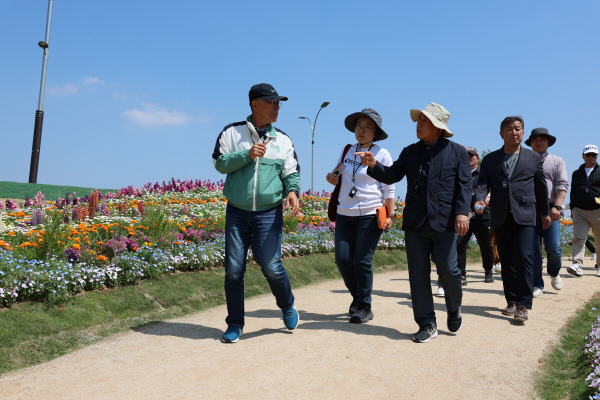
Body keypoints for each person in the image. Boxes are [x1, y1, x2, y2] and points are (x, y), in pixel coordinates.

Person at [356, 102, 471, 343]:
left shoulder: (458, 152)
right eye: (418, 120)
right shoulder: (410, 152)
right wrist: (374, 165)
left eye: (424, 121)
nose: (418, 125)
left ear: (438, 127)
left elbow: (465, 185)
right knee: (418, 276)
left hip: (446, 223)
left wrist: (462, 213)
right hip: (416, 225)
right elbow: (393, 174)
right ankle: (427, 324)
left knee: (449, 271)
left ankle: (454, 306)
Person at [212, 83, 301, 343]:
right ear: (255, 104)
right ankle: (235, 324)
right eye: (272, 102)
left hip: (269, 213)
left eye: (278, 103)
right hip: (237, 213)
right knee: (233, 270)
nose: (277, 108)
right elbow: (219, 163)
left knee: (271, 266)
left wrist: (292, 191)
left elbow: (291, 171)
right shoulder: (231, 133)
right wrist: (247, 154)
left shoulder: (282, 139)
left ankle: (286, 304)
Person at [474, 116, 550, 323]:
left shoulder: (534, 158)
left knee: (525, 257)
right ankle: (512, 301)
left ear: (523, 133)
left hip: (526, 215)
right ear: (501, 134)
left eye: (518, 129)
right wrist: (479, 200)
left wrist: (544, 213)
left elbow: (541, 188)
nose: (514, 132)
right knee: (506, 260)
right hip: (500, 215)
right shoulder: (490, 160)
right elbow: (482, 184)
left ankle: (524, 304)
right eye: (509, 129)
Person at [326, 109, 395, 323]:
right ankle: (358, 298)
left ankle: (365, 306)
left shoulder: (382, 154)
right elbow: (337, 172)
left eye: (367, 127)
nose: (361, 130)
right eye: (358, 126)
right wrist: (332, 177)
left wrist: (390, 215)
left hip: (370, 213)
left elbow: (389, 187)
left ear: (376, 132)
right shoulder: (347, 150)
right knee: (343, 259)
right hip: (344, 213)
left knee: (362, 259)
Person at [525, 128, 568, 296]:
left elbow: (562, 184)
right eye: (535, 139)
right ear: (531, 143)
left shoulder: (557, 161)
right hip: (530, 209)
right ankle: (537, 283)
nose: (539, 142)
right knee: (533, 249)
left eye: (542, 139)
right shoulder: (525, 161)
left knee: (554, 247)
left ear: (548, 142)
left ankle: (554, 272)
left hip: (551, 209)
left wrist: (557, 206)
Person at [455, 148, 494, 285]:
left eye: (472, 156)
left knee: (485, 244)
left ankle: (488, 270)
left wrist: (488, 196)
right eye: (466, 156)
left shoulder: (484, 172)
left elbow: (492, 187)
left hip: (483, 215)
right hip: (465, 215)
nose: (469, 158)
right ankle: (461, 275)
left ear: (477, 158)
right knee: (460, 244)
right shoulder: (459, 173)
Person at [567, 144, 600, 277]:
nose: (591, 157)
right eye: (588, 155)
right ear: (583, 156)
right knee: (579, 238)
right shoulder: (576, 173)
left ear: (597, 156)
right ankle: (577, 264)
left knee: (599, 240)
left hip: (598, 210)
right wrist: (573, 208)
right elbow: (573, 191)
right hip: (580, 211)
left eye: (593, 155)